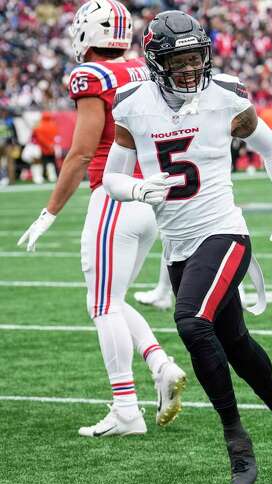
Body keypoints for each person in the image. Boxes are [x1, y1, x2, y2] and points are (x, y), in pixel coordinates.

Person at [102, 11, 272, 484]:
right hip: (178, 243)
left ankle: (236, 438)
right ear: (157, 61)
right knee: (234, 341)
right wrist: (135, 190)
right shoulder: (132, 105)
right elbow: (112, 176)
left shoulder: (227, 96)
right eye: (180, 60)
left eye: (197, 58)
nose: (191, 68)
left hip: (224, 232)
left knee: (191, 320)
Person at [18, 0, 186, 437]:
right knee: (114, 297)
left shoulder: (92, 75)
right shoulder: (143, 70)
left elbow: (81, 152)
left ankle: (126, 410)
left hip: (115, 196)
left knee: (102, 305)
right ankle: (159, 363)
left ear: (87, 33)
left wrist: (49, 212)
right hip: (150, 198)